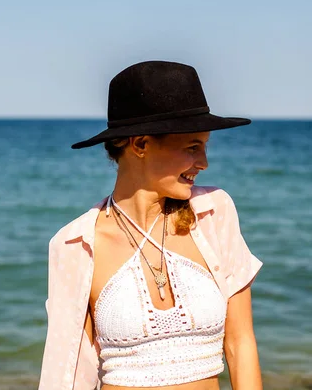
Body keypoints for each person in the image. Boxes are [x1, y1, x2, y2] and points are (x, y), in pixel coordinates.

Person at [39, 61, 263, 390]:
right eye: (192, 147)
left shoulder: (213, 214)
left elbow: (240, 344)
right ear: (140, 144)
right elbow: (68, 372)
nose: (203, 162)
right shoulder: (75, 245)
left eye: (204, 146)